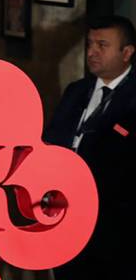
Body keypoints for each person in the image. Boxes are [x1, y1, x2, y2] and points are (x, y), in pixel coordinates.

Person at [44, 15, 136, 279]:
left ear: (127, 53)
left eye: (102, 45)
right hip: (68, 213)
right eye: (89, 45)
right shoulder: (76, 91)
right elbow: (52, 140)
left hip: (116, 224)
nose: (92, 52)